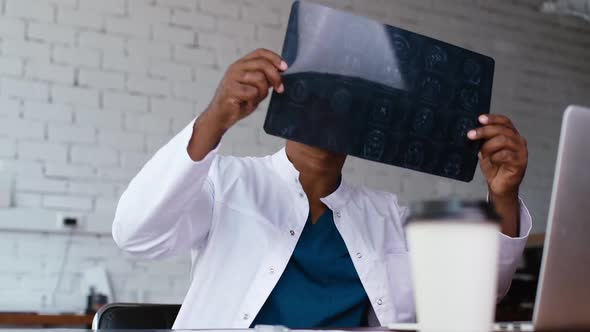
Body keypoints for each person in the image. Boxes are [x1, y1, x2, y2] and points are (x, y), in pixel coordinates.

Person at [113, 49, 531, 329]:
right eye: (322, 95)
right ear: (287, 99)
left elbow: (480, 287)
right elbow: (136, 234)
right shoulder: (227, 183)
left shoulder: (385, 214)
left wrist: (503, 195)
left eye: (354, 102)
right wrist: (215, 119)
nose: (335, 111)